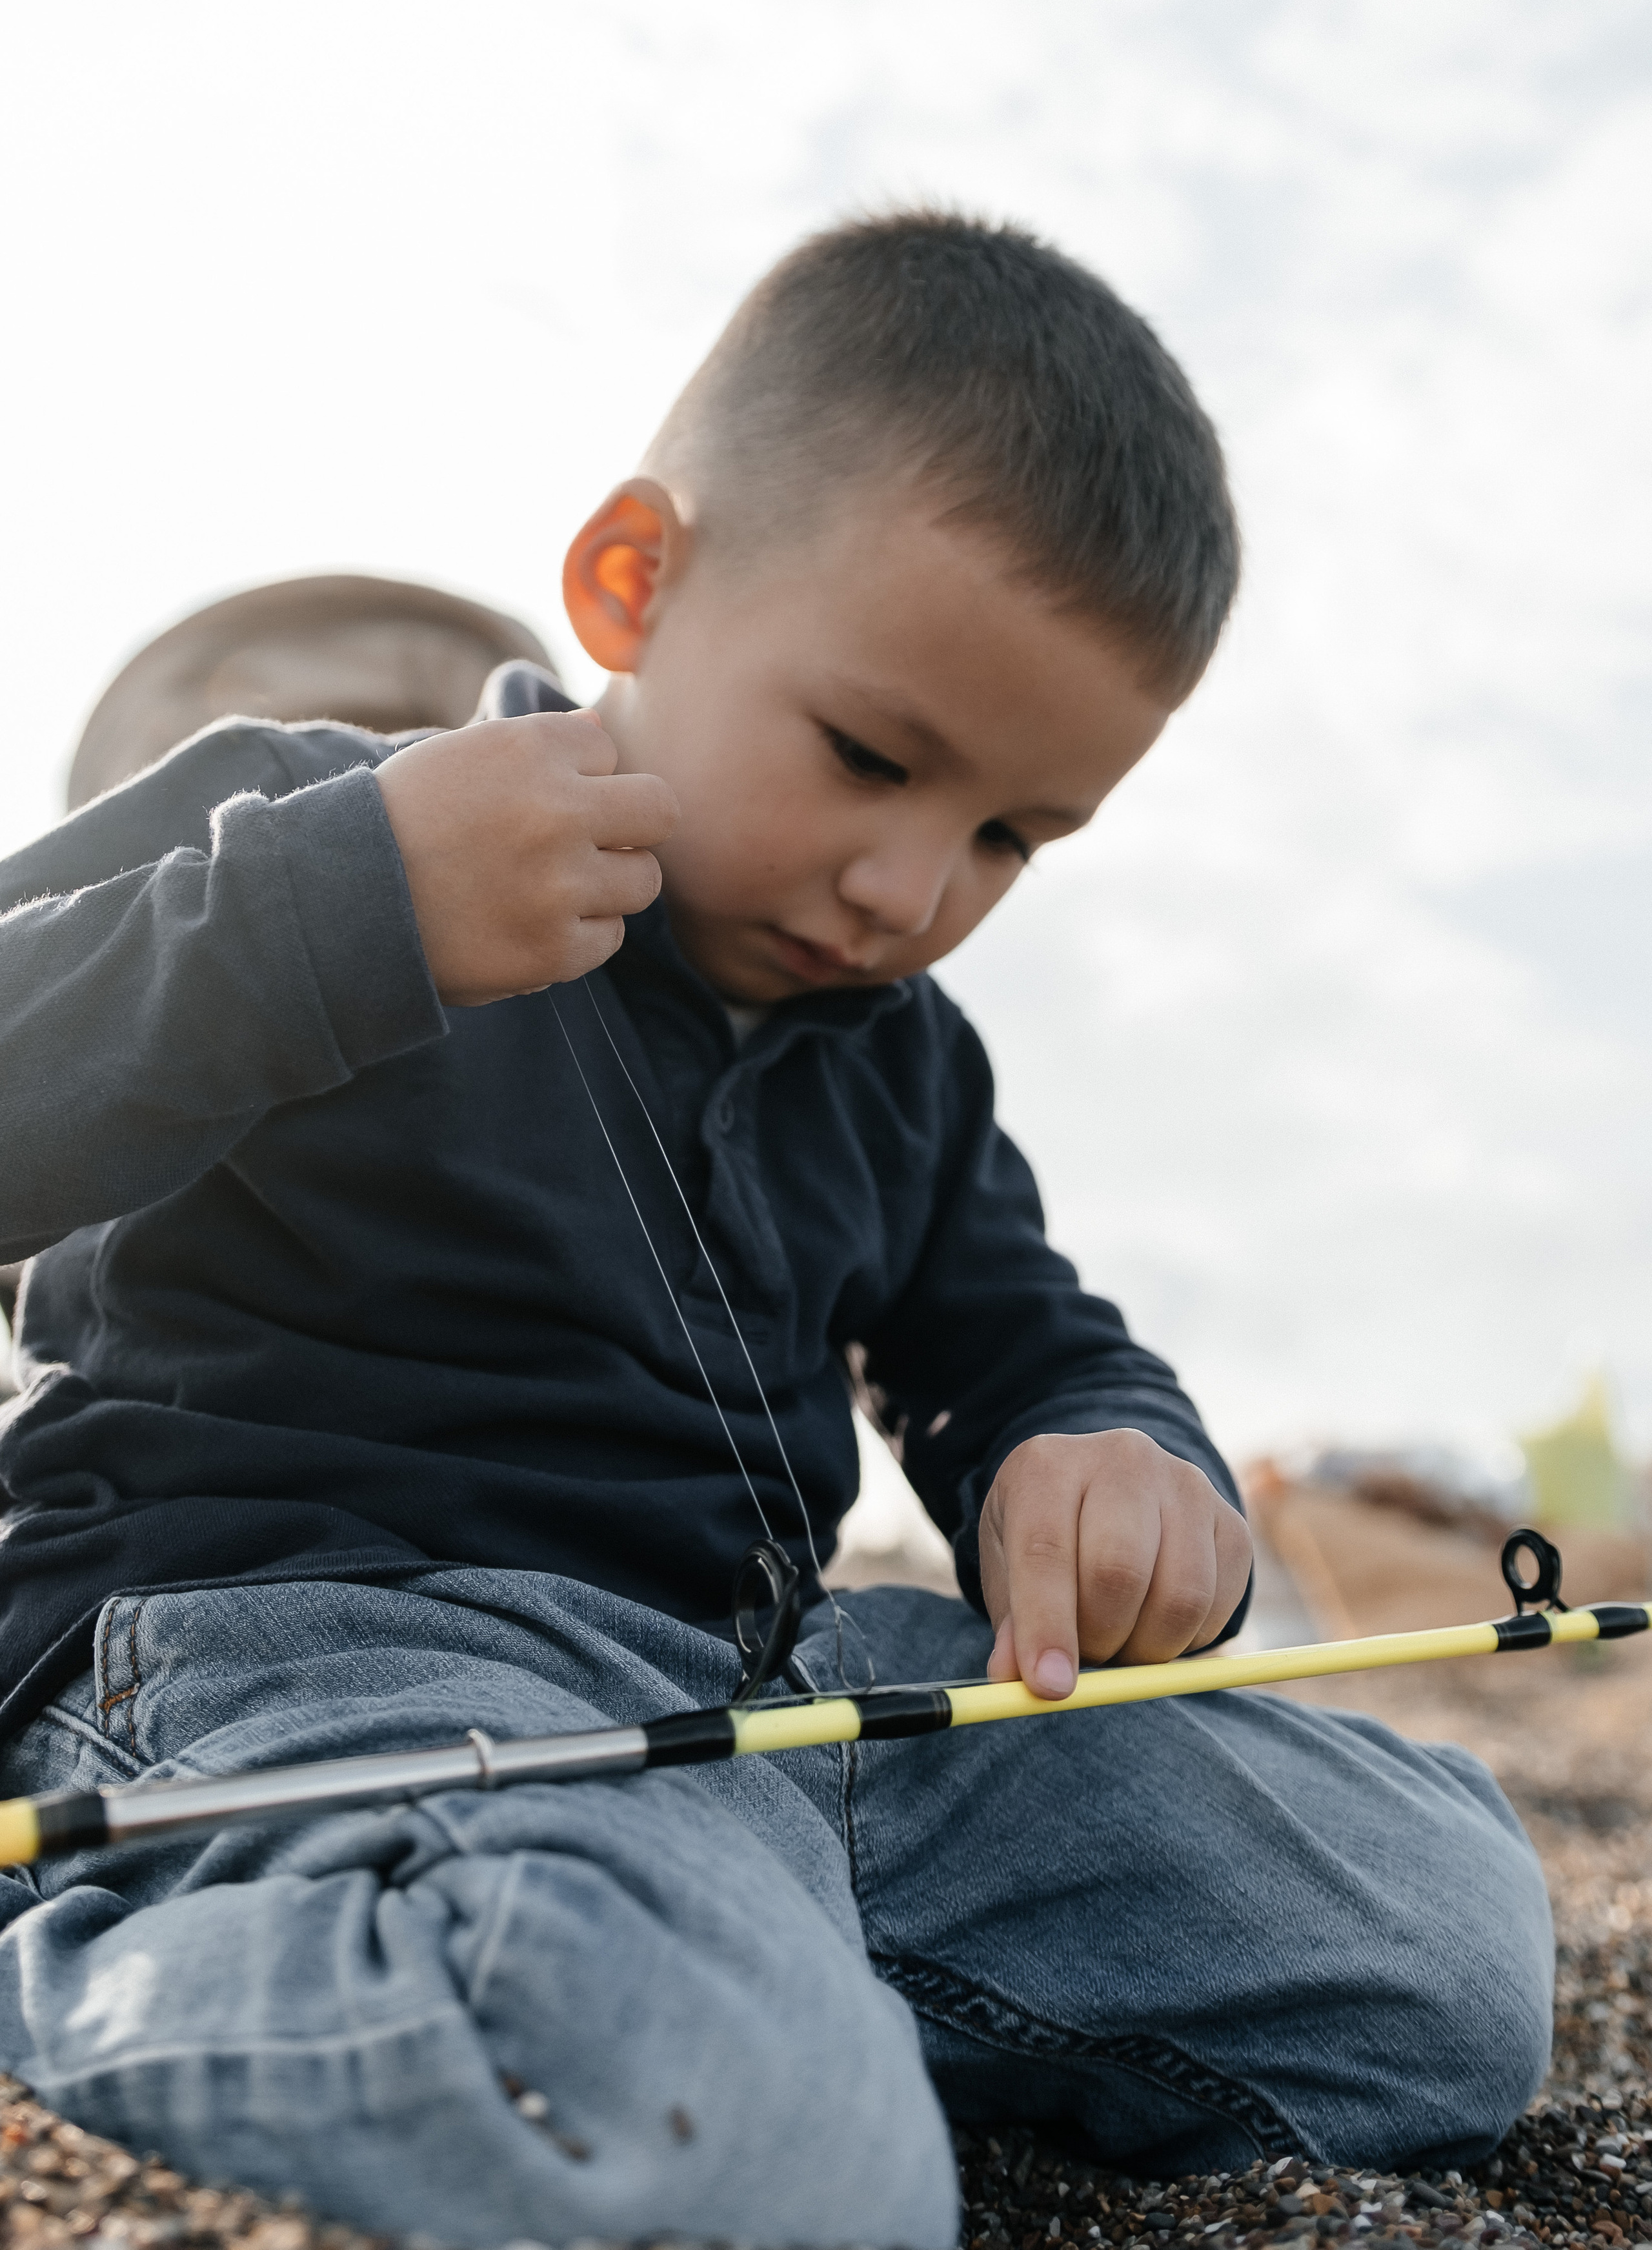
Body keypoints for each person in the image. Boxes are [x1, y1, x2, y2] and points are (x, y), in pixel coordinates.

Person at [0, 214, 1550, 2249]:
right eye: (871, 759)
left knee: (1446, 1956)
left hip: (790, 1710)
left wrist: (1114, 1457)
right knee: (733, 2149)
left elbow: (1020, 1342)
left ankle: (725, 1960)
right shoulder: (322, 817)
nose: (912, 887)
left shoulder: (906, 1061)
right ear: (636, 581)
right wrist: (339, 912)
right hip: (305, 1665)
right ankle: (126, 1944)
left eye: (1014, 835)